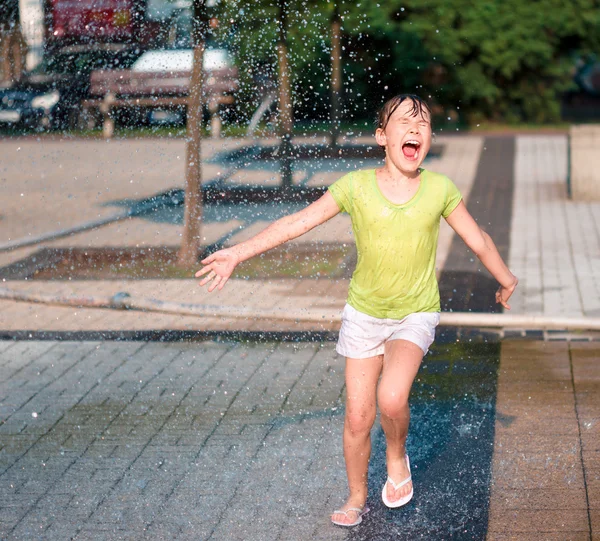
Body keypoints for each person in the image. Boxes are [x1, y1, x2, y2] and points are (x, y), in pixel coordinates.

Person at [195, 94, 518, 528]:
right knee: (358, 416)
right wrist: (238, 252)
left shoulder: (439, 189)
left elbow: (478, 239)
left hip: (414, 313)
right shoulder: (355, 186)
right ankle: (356, 495)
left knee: (391, 397)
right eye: (405, 122)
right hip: (364, 315)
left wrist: (506, 277)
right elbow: (297, 222)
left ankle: (397, 453)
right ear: (382, 136)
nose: (415, 129)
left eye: (423, 124)